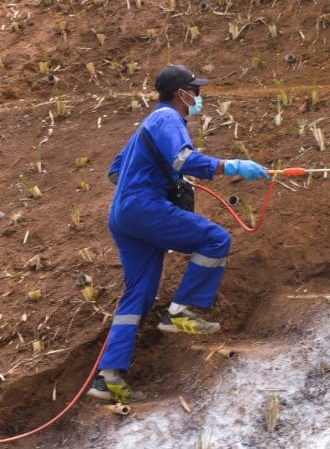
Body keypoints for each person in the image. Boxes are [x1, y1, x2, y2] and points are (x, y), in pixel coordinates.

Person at [87, 64, 270, 403]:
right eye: (194, 90)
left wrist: (160, 178)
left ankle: (107, 378)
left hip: (122, 214)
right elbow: (184, 159)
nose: (198, 96)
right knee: (216, 239)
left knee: (138, 294)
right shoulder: (168, 119)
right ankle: (180, 311)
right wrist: (232, 166)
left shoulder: (148, 123)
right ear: (181, 94)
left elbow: (115, 171)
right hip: (143, 207)